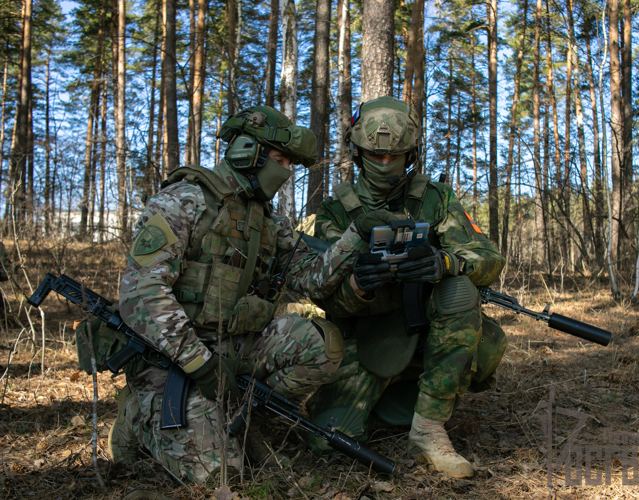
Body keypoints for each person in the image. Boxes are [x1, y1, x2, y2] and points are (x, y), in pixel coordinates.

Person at [108, 106, 385, 484]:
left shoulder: (268, 219)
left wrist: (356, 236)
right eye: (279, 159)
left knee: (322, 344)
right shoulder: (185, 200)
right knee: (219, 475)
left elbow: (313, 279)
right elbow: (141, 295)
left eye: (290, 163)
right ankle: (137, 418)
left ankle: (250, 421)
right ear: (246, 151)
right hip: (175, 360)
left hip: (237, 348)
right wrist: (199, 362)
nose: (285, 171)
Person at [306, 96, 508, 478]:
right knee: (326, 440)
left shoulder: (434, 199)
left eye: (394, 156)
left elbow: (488, 257)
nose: (384, 164)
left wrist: (446, 262)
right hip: (367, 337)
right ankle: (393, 398)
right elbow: (325, 295)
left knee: (460, 291)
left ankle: (428, 426)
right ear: (356, 153)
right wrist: (359, 285)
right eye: (374, 156)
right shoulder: (336, 211)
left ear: (411, 154)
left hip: (427, 329)